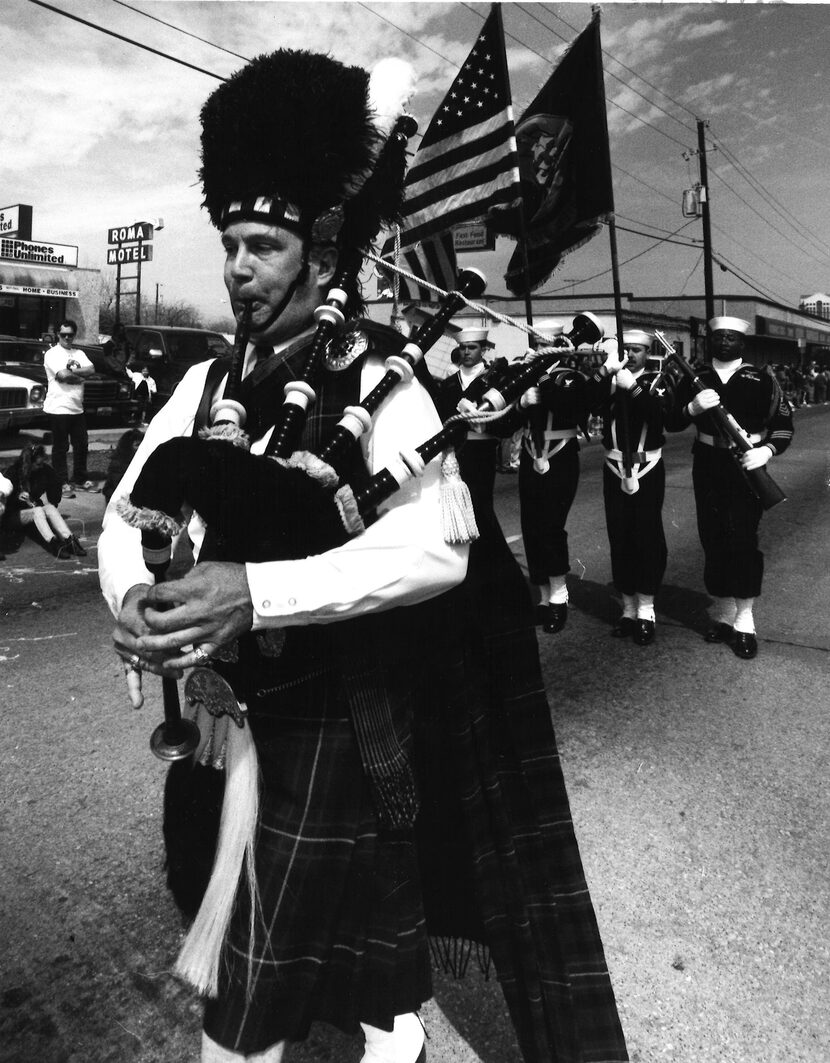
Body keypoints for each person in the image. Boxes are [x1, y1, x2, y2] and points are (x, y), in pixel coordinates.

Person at [98, 49, 627, 1063]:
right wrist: (132, 600)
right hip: (220, 726)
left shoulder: (381, 382)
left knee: (257, 1000)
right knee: (298, 947)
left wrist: (255, 594)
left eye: (260, 244)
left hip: (332, 723)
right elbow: (126, 510)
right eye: (229, 244)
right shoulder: (202, 386)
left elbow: (436, 550)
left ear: (318, 250)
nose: (237, 267)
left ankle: (386, 1038)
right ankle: (391, 1035)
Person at [671, 316, 793, 659]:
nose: (724, 342)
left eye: (732, 338)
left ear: (743, 343)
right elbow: (671, 420)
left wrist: (766, 450)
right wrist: (691, 407)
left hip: (746, 465)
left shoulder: (762, 378)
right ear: (710, 341)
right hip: (707, 463)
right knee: (712, 537)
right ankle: (724, 614)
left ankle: (744, 619)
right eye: (718, 337)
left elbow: (783, 425)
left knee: (742, 539)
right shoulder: (696, 377)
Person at [586, 330, 677, 645]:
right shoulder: (611, 379)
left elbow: (662, 416)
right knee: (620, 535)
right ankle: (627, 607)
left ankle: (647, 609)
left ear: (647, 352)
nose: (631, 354)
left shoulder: (658, 381)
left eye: (637, 350)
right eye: (626, 349)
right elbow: (586, 401)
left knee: (647, 536)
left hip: (647, 466)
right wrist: (607, 372)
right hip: (613, 465)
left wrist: (635, 390)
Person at [516, 324, 589, 634]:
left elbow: (565, 406)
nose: (540, 346)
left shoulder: (571, 375)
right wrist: (520, 403)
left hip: (560, 456)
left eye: (545, 343)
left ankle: (559, 595)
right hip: (531, 454)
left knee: (551, 526)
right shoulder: (525, 370)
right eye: (536, 342)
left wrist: (541, 376)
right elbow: (507, 418)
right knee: (531, 526)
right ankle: (544, 597)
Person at [433, 327, 515, 521]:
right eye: (463, 348)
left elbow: (506, 424)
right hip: (454, 453)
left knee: (480, 508)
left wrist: (483, 424)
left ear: (483, 349)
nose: (467, 352)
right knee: (456, 510)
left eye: (472, 347)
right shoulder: (449, 384)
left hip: (482, 451)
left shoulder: (495, 380)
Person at [0, 443, 86, 559]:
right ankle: (54, 544)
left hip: (33, 509)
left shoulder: (44, 470)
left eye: (42, 463)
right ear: (29, 462)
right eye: (38, 464)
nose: (41, 466)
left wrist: (53, 491)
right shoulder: (13, 472)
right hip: (12, 516)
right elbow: (4, 502)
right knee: (38, 510)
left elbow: (54, 494)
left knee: (49, 508)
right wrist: (17, 497)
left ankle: (69, 541)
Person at [43, 319, 95, 495]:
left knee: (81, 445)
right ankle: (61, 483)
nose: (66, 337)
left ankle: (79, 479)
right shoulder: (52, 354)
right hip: (58, 407)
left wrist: (71, 374)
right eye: (63, 334)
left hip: (76, 407)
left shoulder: (79, 353)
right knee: (61, 447)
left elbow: (91, 369)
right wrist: (78, 376)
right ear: (58, 334)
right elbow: (62, 375)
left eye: (70, 335)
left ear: (74, 335)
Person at [101, 427, 144, 505]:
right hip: (119, 501)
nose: (140, 448)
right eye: (137, 445)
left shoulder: (142, 459)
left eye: (142, 444)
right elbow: (120, 488)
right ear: (127, 447)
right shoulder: (118, 464)